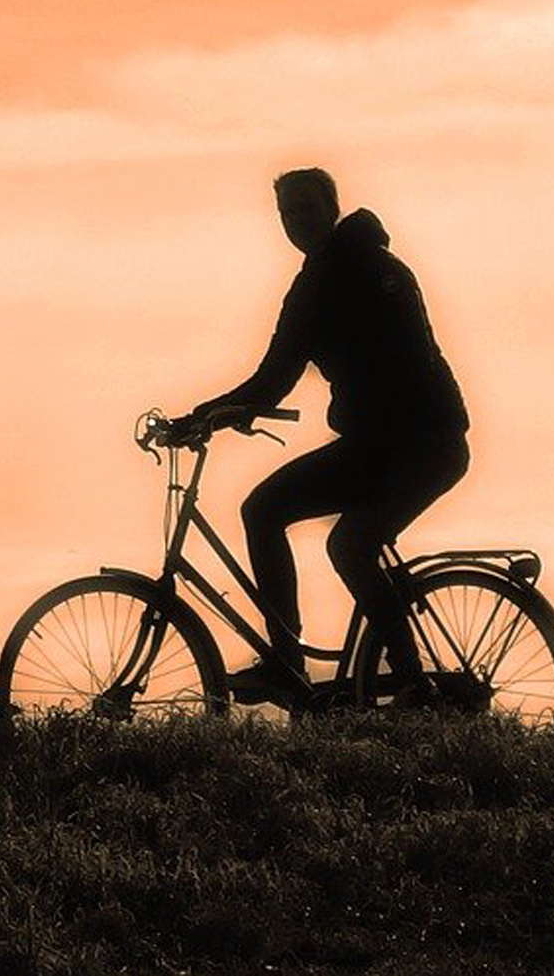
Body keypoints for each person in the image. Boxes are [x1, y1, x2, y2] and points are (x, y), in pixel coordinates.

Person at [168, 167, 469, 706]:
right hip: (379, 445)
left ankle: (407, 683)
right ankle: (297, 664)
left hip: (423, 442)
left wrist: (211, 415)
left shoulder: (360, 275)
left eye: (305, 209)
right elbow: (275, 376)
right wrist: (208, 414)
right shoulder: (331, 277)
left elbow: (283, 378)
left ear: (331, 208)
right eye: (286, 213)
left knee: (341, 541)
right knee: (275, 514)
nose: (296, 222)